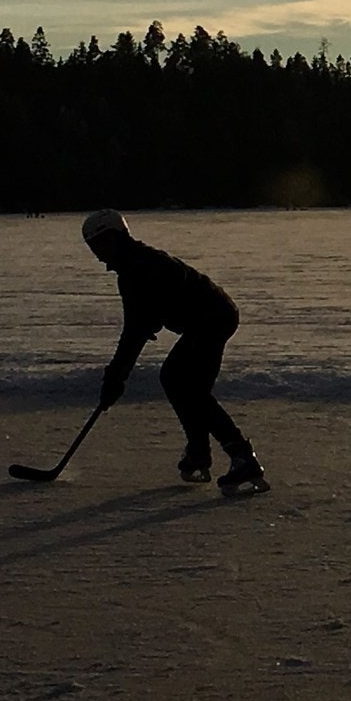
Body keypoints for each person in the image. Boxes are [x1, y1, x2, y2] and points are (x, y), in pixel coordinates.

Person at [81, 209, 269, 495]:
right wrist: (116, 376)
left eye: (101, 244)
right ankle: (200, 453)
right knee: (179, 382)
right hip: (207, 320)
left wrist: (115, 377)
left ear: (118, 237)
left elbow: (135, 331)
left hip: (212, 319)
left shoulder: (141, 268)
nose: (98, 254)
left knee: (186, 386)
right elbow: (144, 322)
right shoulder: (133, 268)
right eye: (93, 247)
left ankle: (240, 456)